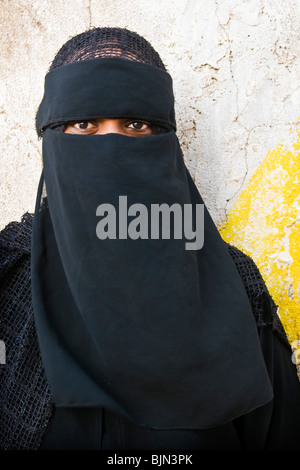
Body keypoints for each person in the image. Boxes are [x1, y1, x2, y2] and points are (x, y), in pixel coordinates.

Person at [0, 27, 300, 451]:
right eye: (83, 123)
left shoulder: (232, 282)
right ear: (50, 141)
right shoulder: (9, 274)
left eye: (135, 124)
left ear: (166, 142)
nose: (111, 146)